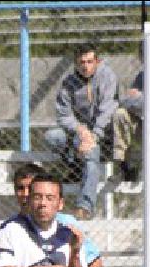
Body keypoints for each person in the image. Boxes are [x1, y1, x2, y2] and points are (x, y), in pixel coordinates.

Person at [45, 43, 119, 220]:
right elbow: (63, 115)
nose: (85, 66)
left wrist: (93, 135)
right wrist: (80, 129)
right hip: (80, 134)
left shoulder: (107, 76)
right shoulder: (69, 82)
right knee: (52, 136)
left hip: (103, 135)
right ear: (75, 63)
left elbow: (109, 109)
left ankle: (85, 206)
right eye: (81, 62)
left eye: (89, 61)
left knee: (91, 153)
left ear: (97, 61)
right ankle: (75, 166)